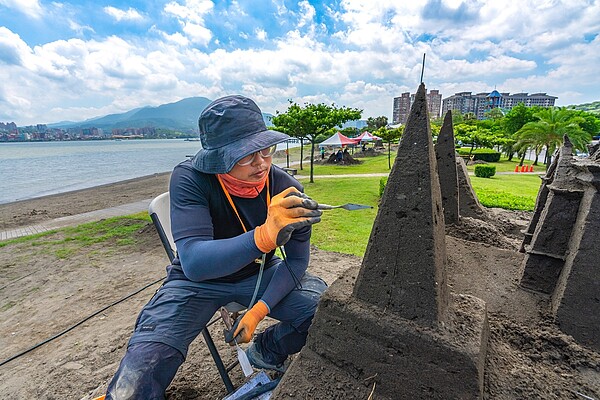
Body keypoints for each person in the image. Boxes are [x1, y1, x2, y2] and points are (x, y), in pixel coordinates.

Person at [105, 95, 327, 399]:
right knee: (139, 374)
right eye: (247, 156)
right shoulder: (190, 179)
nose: (261, 162)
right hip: (195, 283)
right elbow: (195, 261)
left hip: (259, 274)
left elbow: (296, 262)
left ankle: (268, 348)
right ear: (219, 157)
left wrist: (259, 311)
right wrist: (264, 236)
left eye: (265, 149)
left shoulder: (286, 188)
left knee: (328, 312)